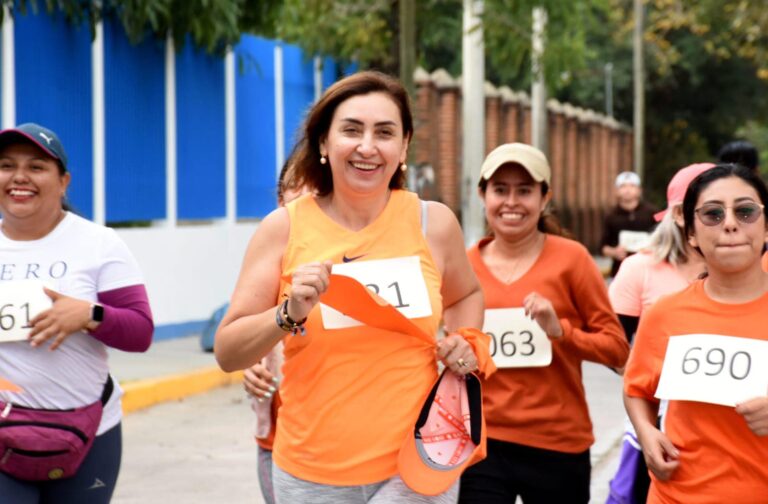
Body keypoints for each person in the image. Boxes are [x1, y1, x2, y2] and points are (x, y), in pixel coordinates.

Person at [215, 71, 491, 503]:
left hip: (416, 464)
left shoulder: (432, 223)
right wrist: (288, 312)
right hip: (311, 474)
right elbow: (229, 351)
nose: (367, 147)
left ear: (403, 147)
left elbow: (467, 295)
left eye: (384, 132)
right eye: (351, 130)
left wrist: (467, 340)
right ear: (323, 143)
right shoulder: (283, 228)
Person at [458, 143, 630, 504]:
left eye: (525, 191)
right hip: (482, 442)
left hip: (557, 442)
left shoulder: (573, 260)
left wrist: (559, 331)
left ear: (545, 197)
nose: (511, 202)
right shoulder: (462, 265)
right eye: (500, 190)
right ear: (482, 194)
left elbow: (617, 350)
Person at [0, 123, 154, 503]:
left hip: (89, 433)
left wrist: (89, 315)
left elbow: (140, 332)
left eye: (36, 167)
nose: (19, 177)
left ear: (63, 180)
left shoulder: (98, 243)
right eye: (6, 166)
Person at [624, 164, 768, 503]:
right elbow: (636, 390)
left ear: (766, 227)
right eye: (712, 214)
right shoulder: (665, 313)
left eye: (746, 211)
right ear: (690, 233)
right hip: (676, 495)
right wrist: (647, 434)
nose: (730, 224)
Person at [605, 163, 713, 504]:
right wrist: (653, 380)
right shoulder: (639, 268)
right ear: (680, 214)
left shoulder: (752, 270)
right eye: (711, 211)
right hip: (659, 426)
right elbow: (615, 346)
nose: (728, 224)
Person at [243, 157, 309, 504]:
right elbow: (241, 337)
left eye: (312, 183)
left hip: (336, 448)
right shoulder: (266, 261)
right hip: (275, 442)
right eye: (292, 186)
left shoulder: (352, 259)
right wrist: (250, 365)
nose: (301, 194)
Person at [601, 171, 658, 277]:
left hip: (649, 270)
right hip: (620, 271)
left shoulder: (653, 213)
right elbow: (603, 247)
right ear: (616, 191)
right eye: (623, 186)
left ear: (639, 190)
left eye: (632, 186)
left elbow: (664, 238)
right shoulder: (610, 216)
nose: (627, 190)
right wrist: (614, 252)